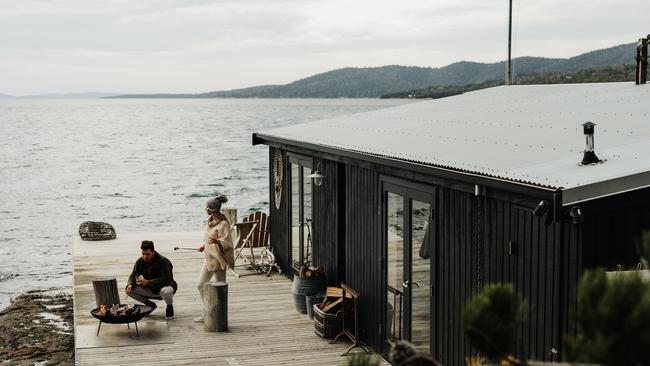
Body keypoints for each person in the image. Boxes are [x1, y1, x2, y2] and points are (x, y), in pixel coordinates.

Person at [194, 194, 235, 322]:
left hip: (219, 261)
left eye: (206, 207)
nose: (205, 209)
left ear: (211, 209)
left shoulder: (223, 224)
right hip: (209, 259)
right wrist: (204, 246)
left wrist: (218, 242)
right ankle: (208, 312)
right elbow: (209, 240)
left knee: (220, 291)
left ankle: (220, 317)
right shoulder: (210, 222)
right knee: (200, 285)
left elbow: (228, 243)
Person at [126, 240, 178, 320]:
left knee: (167, 291)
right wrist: (130, 284)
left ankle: (169, 307)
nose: (145, 257)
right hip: (150, 288)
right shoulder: (140, 261)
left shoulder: (164, 261)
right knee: (128, 290)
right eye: (143, 254)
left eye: (147, 254)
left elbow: (167, 280)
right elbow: (133, 274)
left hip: (164, 287)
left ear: (153, 251)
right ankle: (150, 305)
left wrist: (148, 282)